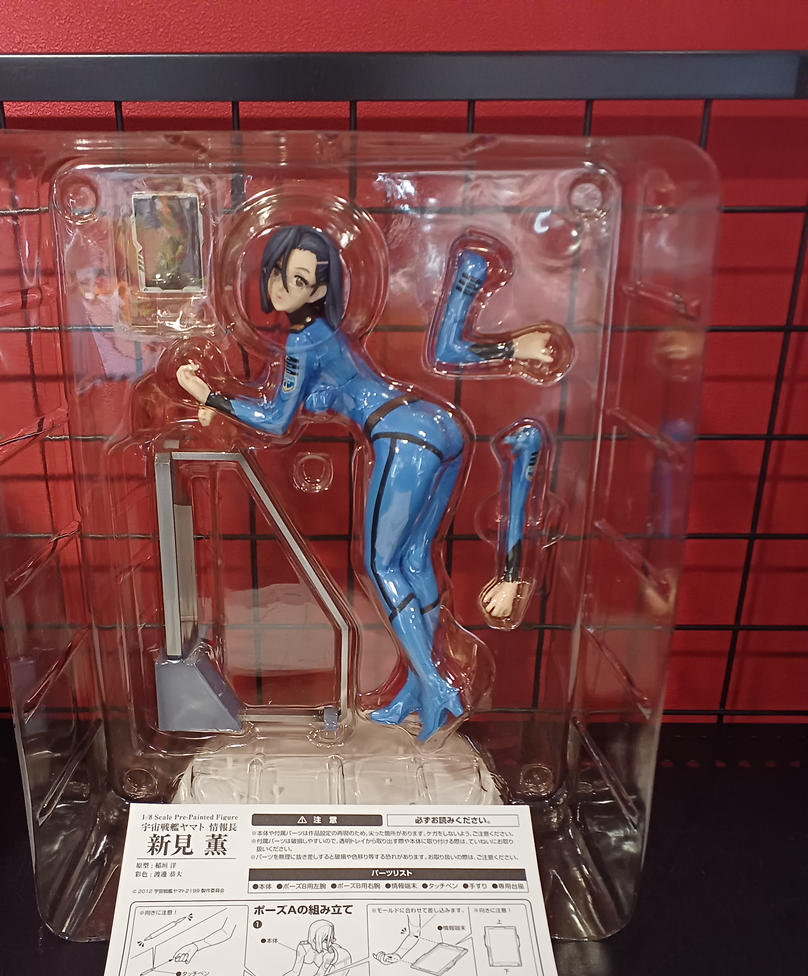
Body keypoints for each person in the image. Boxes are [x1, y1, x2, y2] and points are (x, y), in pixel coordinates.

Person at [176, 224, 556, 740]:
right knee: (414, 560)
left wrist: (209, 395)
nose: (281, 286)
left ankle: (436, 685)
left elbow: (275, 419)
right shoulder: (328, 335)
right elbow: (326, 395)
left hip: (403, 438)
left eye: (298, 279)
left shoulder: (301, 341)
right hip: (435, 424)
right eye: (277, 273)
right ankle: (415, 690)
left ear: (320, 289)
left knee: (382, 568)